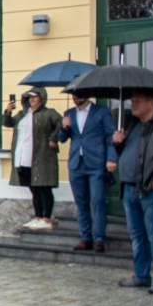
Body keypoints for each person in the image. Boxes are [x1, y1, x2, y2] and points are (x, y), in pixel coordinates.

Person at [113, 90, 153, 294]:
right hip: (130, 187)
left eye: (137, 101)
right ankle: (141, 275)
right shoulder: (133, 124)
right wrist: (118, 143)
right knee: (137, 235)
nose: (132, 104)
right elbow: (130, 153)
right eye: (132, 100)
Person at [59, 91, 118, 252]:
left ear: (88, 95)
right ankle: (85, 238)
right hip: (76, 163)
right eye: (74, 95)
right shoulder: (69, 113)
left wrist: (111, 158)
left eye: (80, 94)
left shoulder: (101, 111)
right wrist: (64, 128)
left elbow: (110, 136)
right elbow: (61, 138)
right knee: (81, 203)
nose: (76, 98)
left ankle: (99, 238)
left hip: (96, 163)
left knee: (98, 201)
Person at [3, 88, 62, 231]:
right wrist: (8, 111)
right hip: (23, 157)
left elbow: (62, 125)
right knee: (34, 188)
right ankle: (37, 217)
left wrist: (53, 139)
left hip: (42, 156)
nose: (31, 100)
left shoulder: (49, 113)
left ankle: (46, 218)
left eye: (35, 97)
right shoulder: (22, 114)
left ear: (42, 98)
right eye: (29, 98)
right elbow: (8, 123)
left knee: (44, 187)